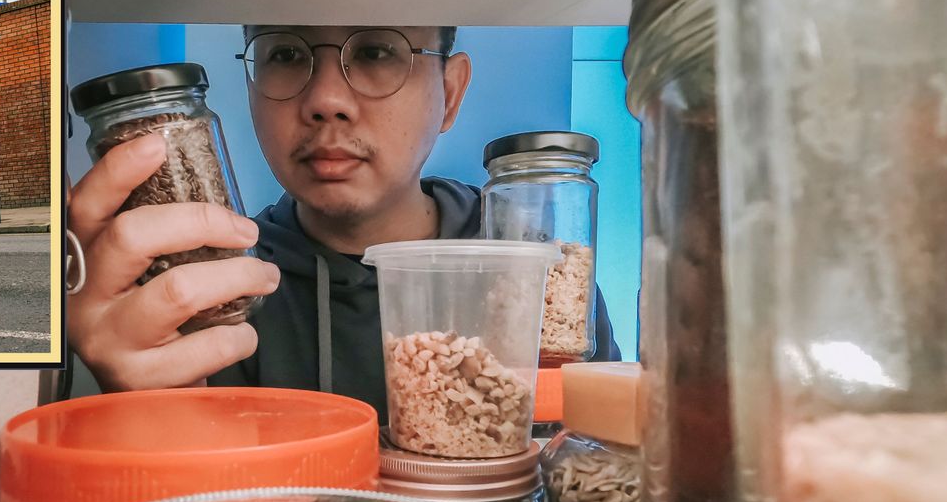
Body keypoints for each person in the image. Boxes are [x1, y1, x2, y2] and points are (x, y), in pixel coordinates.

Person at [68, 26, 620, 422]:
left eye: (378, 50)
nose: (326, 100)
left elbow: (592, 466)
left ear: (449, 93)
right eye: (285, 52)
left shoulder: (535, 269)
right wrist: (133, 408)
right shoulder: (208, 292)